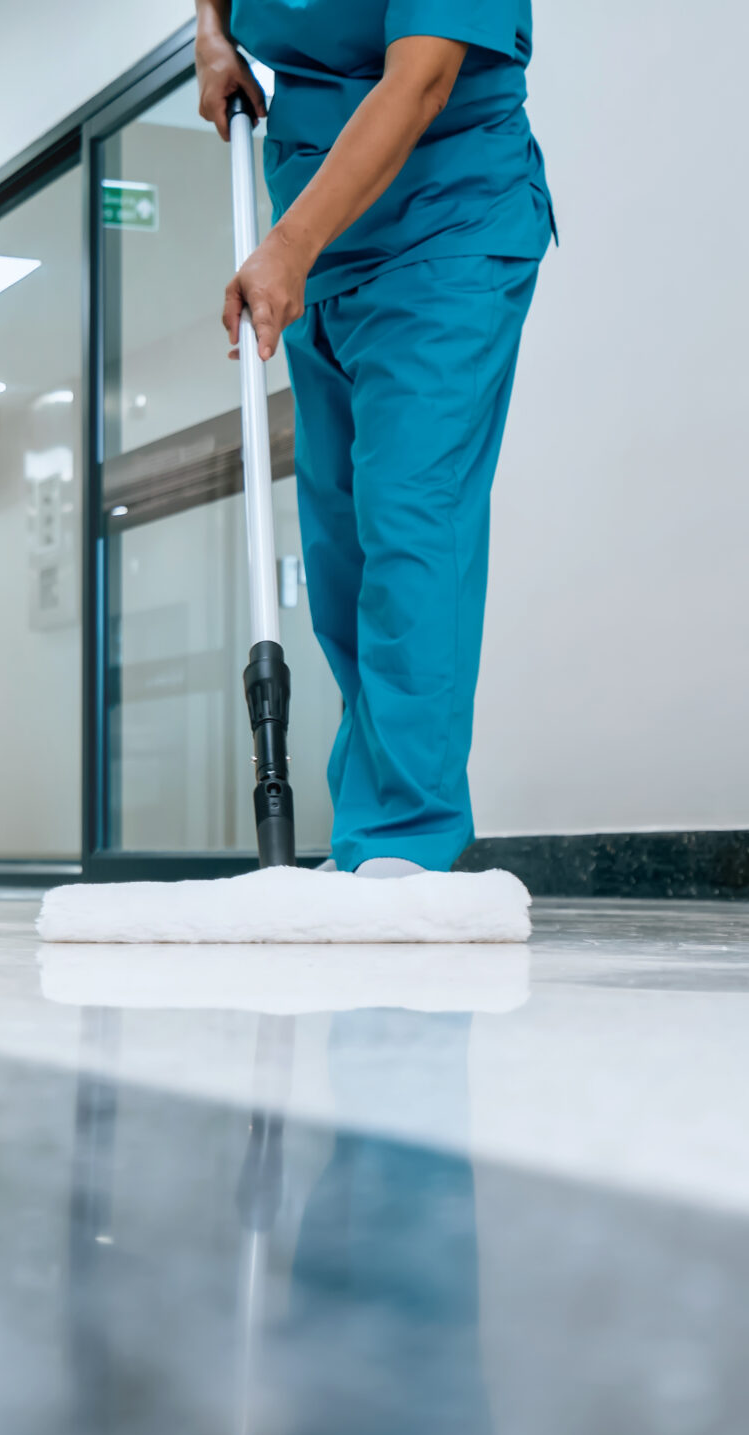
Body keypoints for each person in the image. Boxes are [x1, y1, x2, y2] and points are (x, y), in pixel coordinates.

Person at [197, 1, 552, 877]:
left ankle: (402, 843)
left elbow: (423, 77)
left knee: (410, 520)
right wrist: (209, 35)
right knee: (342, 553)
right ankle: (369, 829)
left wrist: (288, 247)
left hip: (447, 224)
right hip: (320, 244)